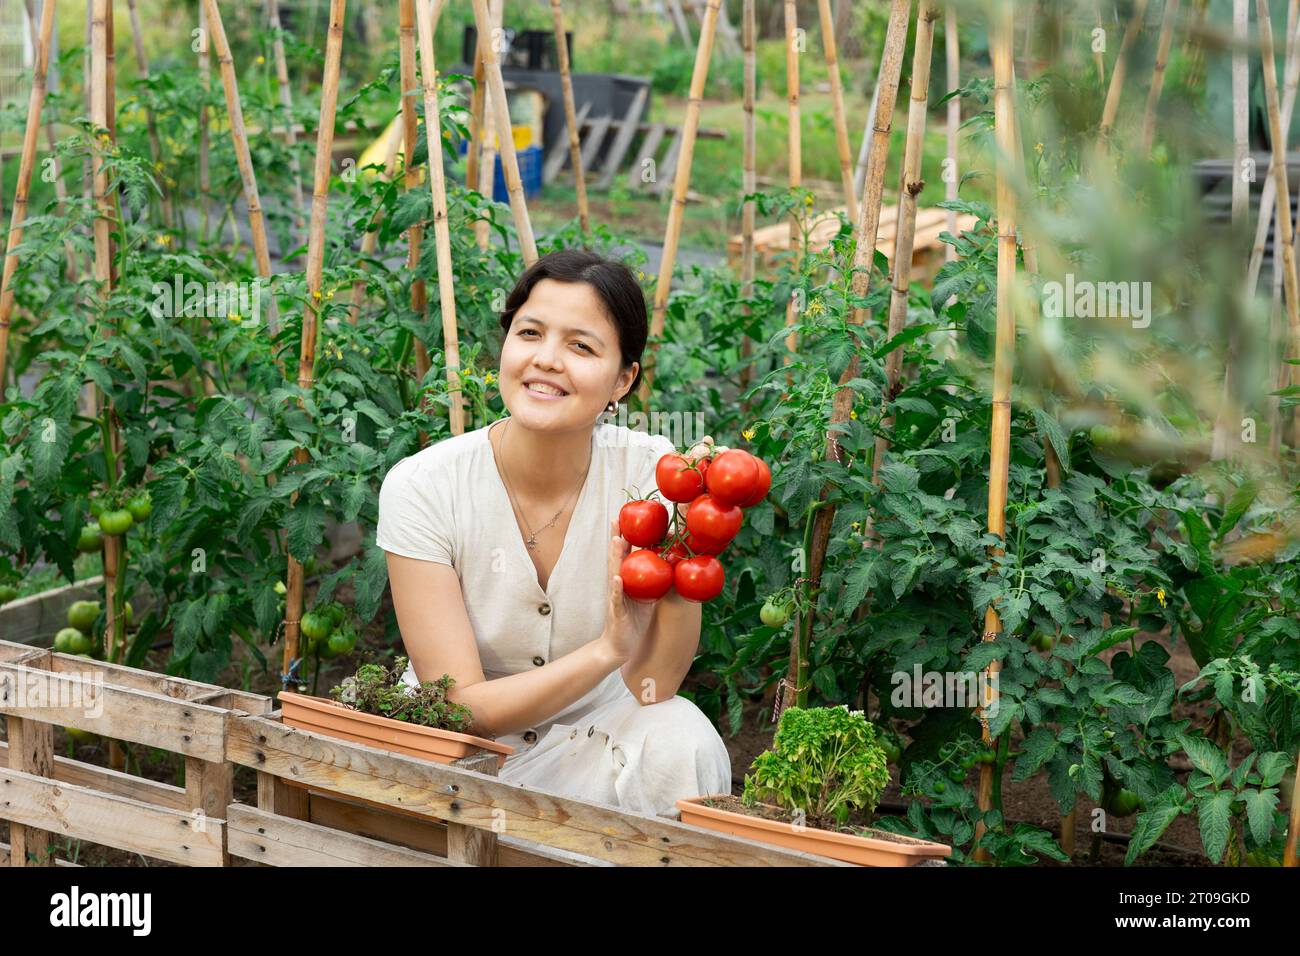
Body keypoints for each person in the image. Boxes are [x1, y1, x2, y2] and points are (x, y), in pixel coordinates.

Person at [376, 249, 732, 819]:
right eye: (530, 333)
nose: (546, 360)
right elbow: (460, 709)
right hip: (455, 765)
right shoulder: (423, 485)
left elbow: (651, 686)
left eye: (580, 345)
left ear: (623, 379)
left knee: (678, 736)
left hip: (589, 751)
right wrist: (605, 651)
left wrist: (689, 554)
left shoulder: (653, 479)